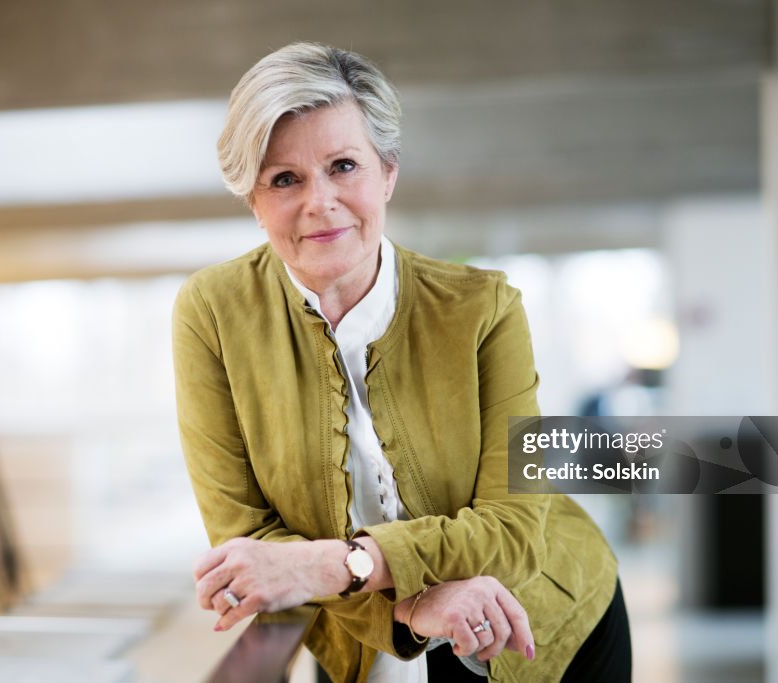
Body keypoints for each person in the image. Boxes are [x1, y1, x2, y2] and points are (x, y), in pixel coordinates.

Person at [173, 42, 630, 683]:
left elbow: (517, 525)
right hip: (357, 644)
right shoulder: (211, 313)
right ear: (253, 199)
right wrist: (414, 605)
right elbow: (247, 539)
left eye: (343, 165)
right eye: (285, 179)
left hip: (541, 628)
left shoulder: (485, 309)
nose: (320, 201)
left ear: (387, 172)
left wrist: (345, 565)